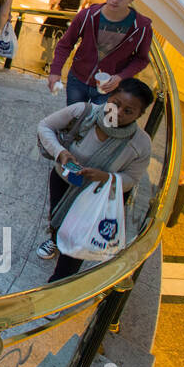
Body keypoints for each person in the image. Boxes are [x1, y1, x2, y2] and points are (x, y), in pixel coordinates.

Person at [35, 79, 155, 281]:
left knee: (78, 240)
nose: (117, 113)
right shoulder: (83, 112)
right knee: (57, 217)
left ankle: (59, 284)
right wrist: (61, 152)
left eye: (128, 111)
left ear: (139, 115)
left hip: (95, 196)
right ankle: (56, 239)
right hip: (63, 181)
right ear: (108, 97)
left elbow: (132, 178)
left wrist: (106, 178)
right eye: (115, 103)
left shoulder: (140, 143)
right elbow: (45, 126)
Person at [48, 0, 154, 106]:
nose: (115, 0)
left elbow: (142, 59)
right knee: (73, 115)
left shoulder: (141, 26)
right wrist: (55, 71)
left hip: (110, 86)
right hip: (78, 79)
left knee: (101, 121)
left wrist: (121, 77)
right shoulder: (87, 15)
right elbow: (65, 44)